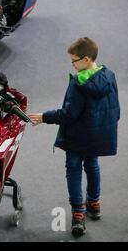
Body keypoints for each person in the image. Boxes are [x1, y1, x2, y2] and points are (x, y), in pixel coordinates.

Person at [29, 37, 120, 237]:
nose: (72, 65)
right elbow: (116, 110)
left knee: (74, 170)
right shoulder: (110, 76)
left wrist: (44, 117)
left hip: (77, 138)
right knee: (93, 166)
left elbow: (68, 115)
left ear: (86, 59)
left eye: (74, 61)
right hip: (97, 135)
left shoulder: (79, 83)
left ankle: (78, 214)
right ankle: (94, 203)